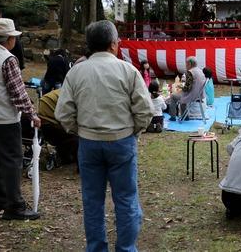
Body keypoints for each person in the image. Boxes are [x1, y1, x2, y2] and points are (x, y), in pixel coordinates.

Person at [55, 20, 154, 252]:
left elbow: (63, 112)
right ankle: (126, 248)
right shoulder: (127, 70)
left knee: (92, 202)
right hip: (121, 141)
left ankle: (97, 248)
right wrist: (135, 131)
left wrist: (80, 131)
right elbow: (145, 110)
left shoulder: (76, 71)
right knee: (126, 199)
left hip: (89, 143)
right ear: (113, 44)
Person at [0, 18, 41, 220]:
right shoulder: (8, 60)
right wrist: (33, 114)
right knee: (12, 161)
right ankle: (15, 206)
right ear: (9, 39)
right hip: (5, 119)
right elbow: (18, 94)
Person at [38, 89, 79, 164]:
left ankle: (65, 155)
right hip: (51, 122)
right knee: (75, 135)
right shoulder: (72, 96)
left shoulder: (65, 92)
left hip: (44, 118)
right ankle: (68, 157)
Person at [168, 56, 207, 121]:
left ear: (190, 64)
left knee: (173, 96)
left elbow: (187, 88)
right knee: (181, 94)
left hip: (192, 95)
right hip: (199, 94)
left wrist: (180, 87)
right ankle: (185, 116)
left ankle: (173, 116)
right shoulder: (200, 71)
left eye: (186, 64)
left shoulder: (190, 72)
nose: (186, 65)